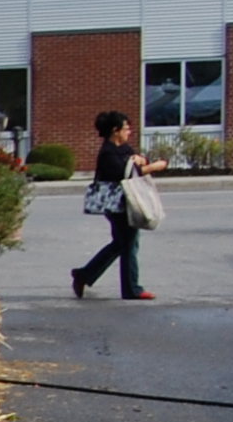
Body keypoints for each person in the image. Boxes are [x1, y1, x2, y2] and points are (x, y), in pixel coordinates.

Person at [70, 109, 163, 301]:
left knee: (122, 244)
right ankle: (131, 289)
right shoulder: (108, 152)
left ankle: (84, 274)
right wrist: (152, 167)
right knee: (128, 243)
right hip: (116, 204)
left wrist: (141, 160)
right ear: (115, 130)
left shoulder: (124, 148)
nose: (129, 131)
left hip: (128, 201)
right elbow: (124, 173)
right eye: (126, 128)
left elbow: (136, 160)